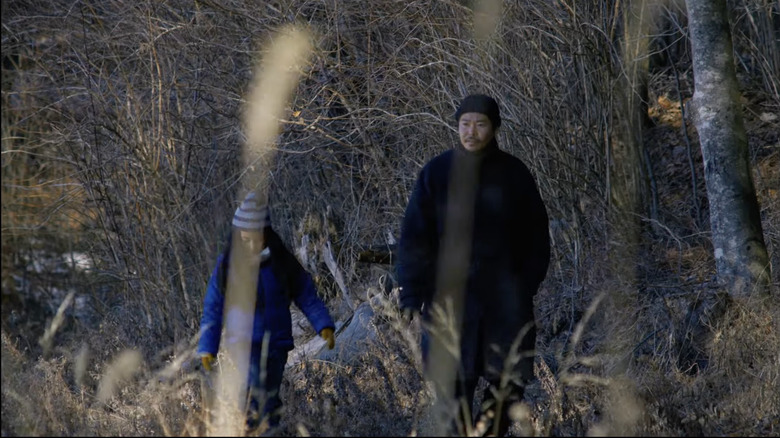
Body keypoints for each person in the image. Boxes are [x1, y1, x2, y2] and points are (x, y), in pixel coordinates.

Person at [396, 94, 550, 436]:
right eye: (465, 123)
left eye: (480, 124)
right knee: (452, 401)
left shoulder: (515, 174)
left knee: (508, 392)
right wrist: (410, 294)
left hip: (505, 308)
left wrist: (523, 286)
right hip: (450, 307)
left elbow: (537, 237)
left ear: (494, 128)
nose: (471, 132)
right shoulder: (436, 174)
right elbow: (414, 240)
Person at [197, 191, 336, 432]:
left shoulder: (281, 261)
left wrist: (323, 323)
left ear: (266, 235)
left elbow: (305, 292)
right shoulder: (228, 265)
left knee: (268, 398)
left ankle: (270, 427)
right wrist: (207, 346)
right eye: (244, 239)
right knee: (252, 398)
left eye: (255, 239)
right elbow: (213, 306)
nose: (249, 244)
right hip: (243, 346)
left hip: (276, 346)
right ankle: (262, 429)